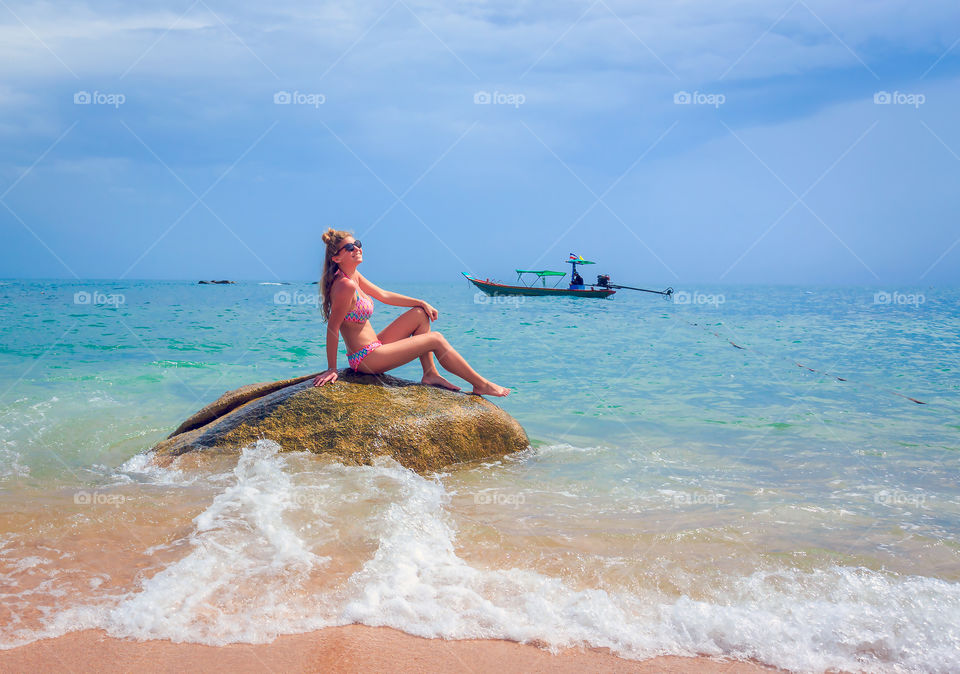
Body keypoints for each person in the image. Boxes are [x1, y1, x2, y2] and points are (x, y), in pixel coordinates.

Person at [311, 228, 510, 397]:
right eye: (349, 247)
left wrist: (421, 302)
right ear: (336, 258)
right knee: (436, 339)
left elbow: (383, 295)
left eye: (357, 244)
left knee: (419, 314)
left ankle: (430, 373)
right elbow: (333, 328)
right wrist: (332, 368)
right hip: (365, 359)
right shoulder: (345, 285)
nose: (357, 248)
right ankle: (480, 384)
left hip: (376, 345)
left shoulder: (353, 276)